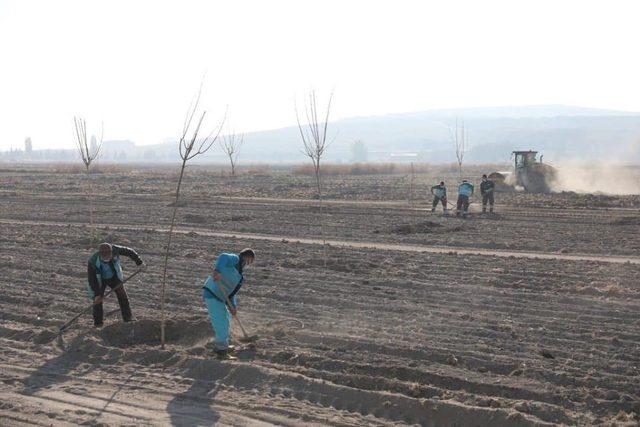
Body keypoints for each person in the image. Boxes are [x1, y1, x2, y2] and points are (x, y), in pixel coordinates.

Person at [202, 248, 255, 359]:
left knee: (226, 318)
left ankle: (221, 344)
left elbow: (231, 294)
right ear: (245, 256)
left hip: (220, 297)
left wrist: (233, 306)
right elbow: (223, 256)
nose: (248, 263)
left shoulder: (240, 277)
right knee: (221, 323)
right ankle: (221, 352)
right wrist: (217, 271)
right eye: (249, 259)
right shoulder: (235, 259)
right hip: (212, 293)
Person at [87, 243, 144, 327]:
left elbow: (130, 252)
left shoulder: (115, 249)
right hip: (100, 279)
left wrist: (139, 263)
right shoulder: (93, 260)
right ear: (100, 254)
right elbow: (92, 279)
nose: (107, 259)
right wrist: (97, 293)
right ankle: (98, 323)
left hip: (114, 277)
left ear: (111, 252)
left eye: (108, 256)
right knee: (97, 300)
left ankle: (127, 318)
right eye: (104, 258)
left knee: (122, 295)